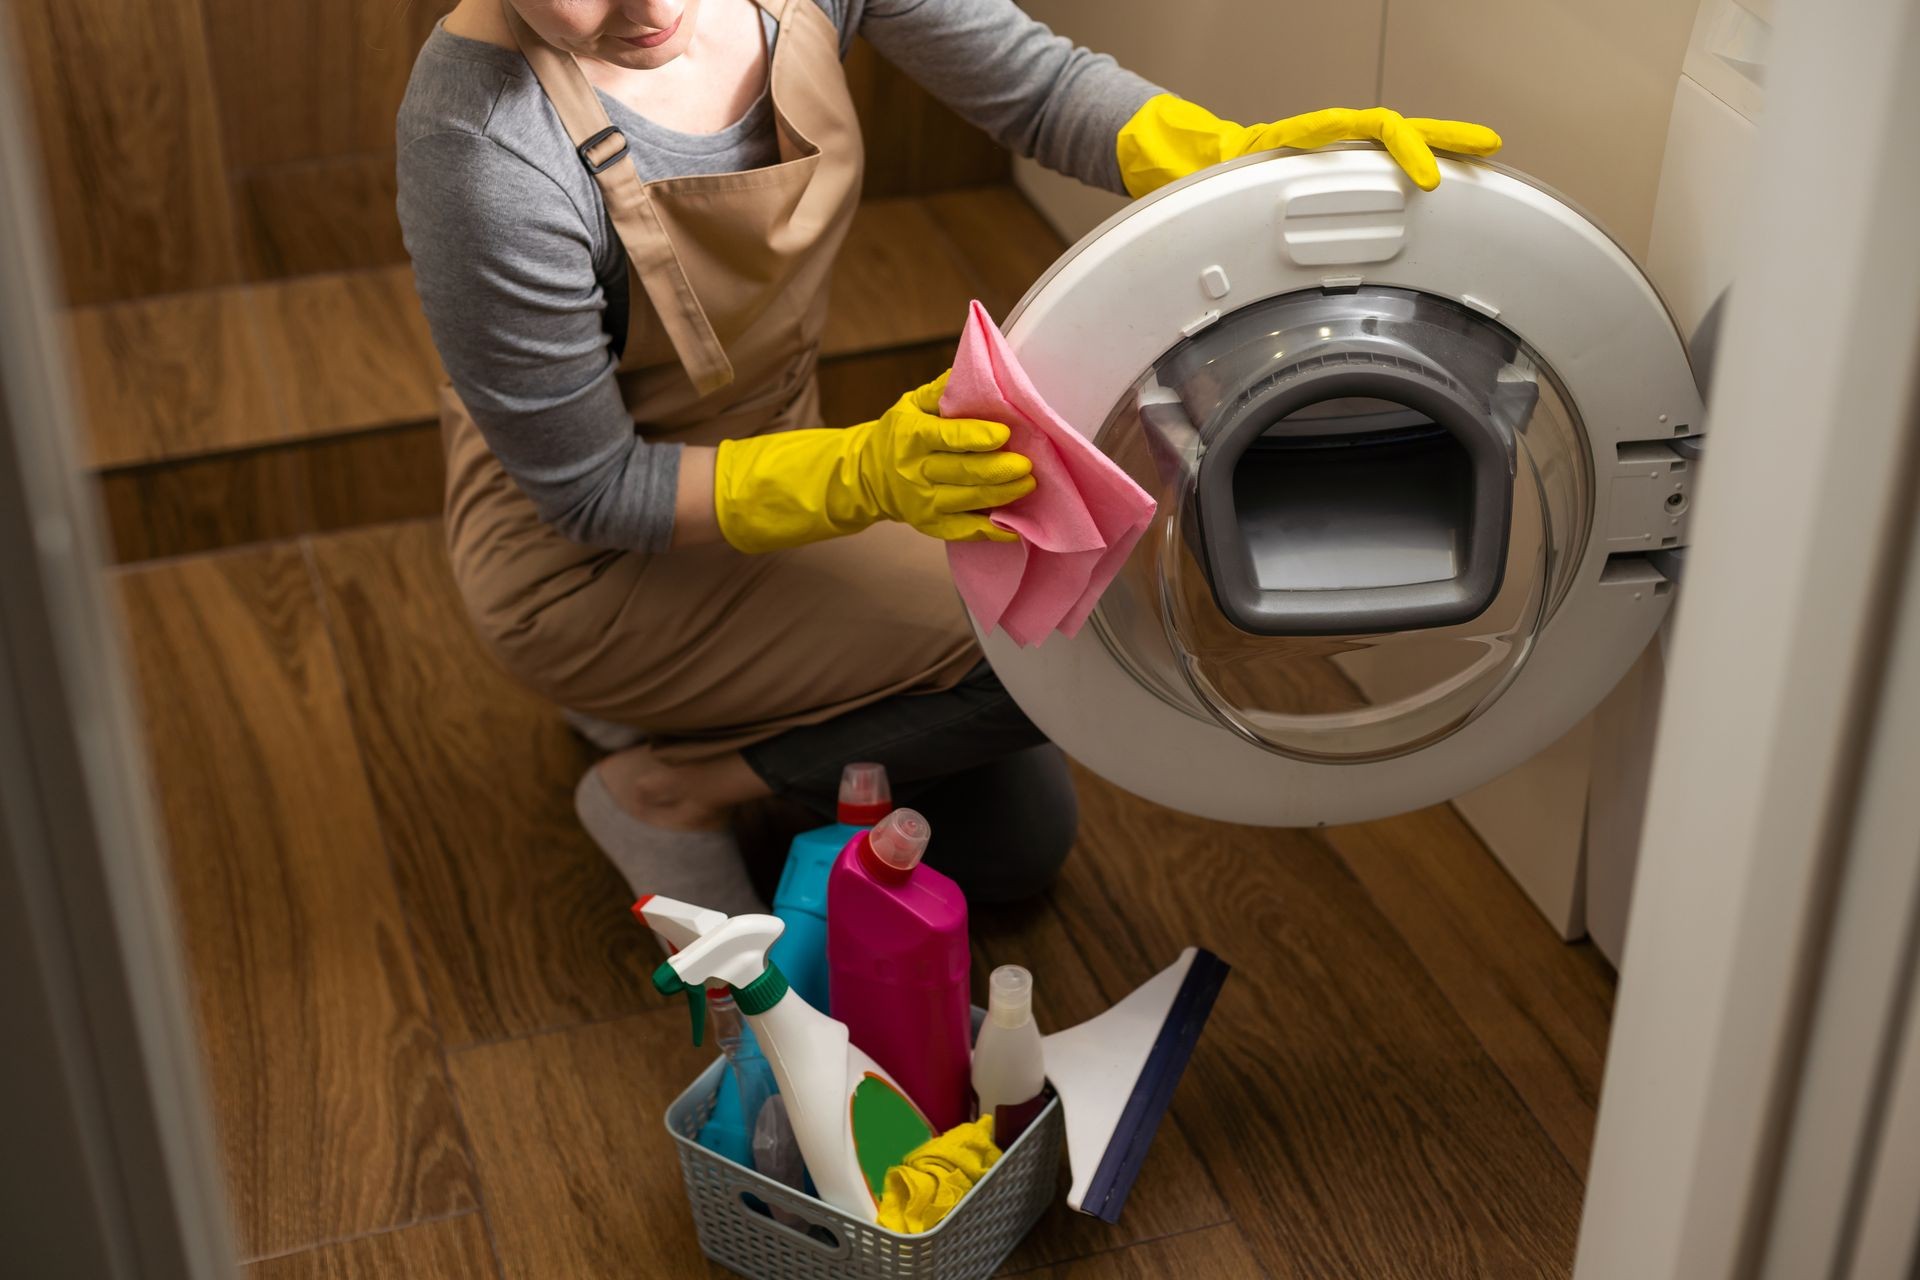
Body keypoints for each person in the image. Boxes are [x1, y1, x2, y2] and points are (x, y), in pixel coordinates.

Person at [396, 0, 1498, 914]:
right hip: (595, 559)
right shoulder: (483, 149)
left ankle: (693, 701)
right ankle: (668, 783)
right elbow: (592, 489)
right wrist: (865, 474)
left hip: (779, 464)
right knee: (1086, 639)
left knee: (1015, 852)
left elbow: (1044, 91)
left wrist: (1224, 164)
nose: (644, 8)